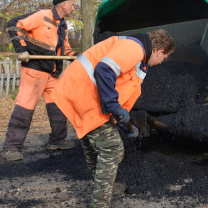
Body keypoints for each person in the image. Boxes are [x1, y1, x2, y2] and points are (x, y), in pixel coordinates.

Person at [53, 29, 174, 208]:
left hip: (79, 92)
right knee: (112, 149)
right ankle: (100, 203)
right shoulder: (135, 48)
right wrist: (113, 107)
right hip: (85, 96)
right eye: (163, 59)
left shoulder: (138, 57)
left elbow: (121, 87)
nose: (160, 63)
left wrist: (122, 122)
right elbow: (104, 69)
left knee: (93, 147)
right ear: (159, 51)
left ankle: (105, 188)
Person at [1, 0, 79, 161]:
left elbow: (64, 48)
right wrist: (20, 49)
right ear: (63, 4)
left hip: (52, 73)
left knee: (59, 105)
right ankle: (11, 148)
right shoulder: (42, 16)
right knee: (25, 107)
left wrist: (77, 56)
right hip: (35, 70)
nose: (73, 9)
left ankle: (57, 140)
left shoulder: (63, 26)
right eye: (72, 5)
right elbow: (14, 24)